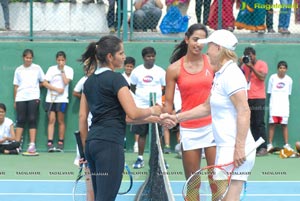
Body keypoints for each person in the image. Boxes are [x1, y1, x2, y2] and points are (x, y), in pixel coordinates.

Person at [162, 29, 256, 201]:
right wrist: (176, 118)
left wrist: (239, 148)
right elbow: (206, 107)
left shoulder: (232, 75)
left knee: (226, 196)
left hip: (235, 148)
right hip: (226, 146)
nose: (206, 51)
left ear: (219, 48)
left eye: (209, 46)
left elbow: (244, 110)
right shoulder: (221, 74)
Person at [78, 35, 161, 201]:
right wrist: (154, 109)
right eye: (121, 53)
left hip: (92, 145)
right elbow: (133, 113)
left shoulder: (88, 82)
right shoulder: (117, 79)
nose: (124, 56)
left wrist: (85, 149)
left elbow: (82, 117)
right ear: (110, 57)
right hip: (109, 146)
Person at [163, 23, 216, 181]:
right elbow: (168, 103)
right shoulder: (174, 69)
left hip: (213, 126)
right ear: (187, 39)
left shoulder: (213, 63)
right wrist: (165, 118)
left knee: (216, 181)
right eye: (195, 39)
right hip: (189, 130)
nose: (199, 44)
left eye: (203, 41)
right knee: (193, 183)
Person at [130, 46, 166, 169]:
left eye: (152, 56)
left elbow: (165, 87)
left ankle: (159, 159)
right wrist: (141, 99)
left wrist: (157, 102)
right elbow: (133, 87)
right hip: (141, 107)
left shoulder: (160, 71)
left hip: (157, 108)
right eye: (148, 56)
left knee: (158, 134)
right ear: (143, 58)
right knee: (142, 134)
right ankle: (140, 158)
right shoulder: (137, 71)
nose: (151, 58)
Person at [13, 49, 45, 154]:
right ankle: (16, 145)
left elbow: (43, 81)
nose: (28, 60)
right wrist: (15, 100)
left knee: (32, 119)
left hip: (33, 97)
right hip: (20, 97)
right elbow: (16, 86)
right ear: (23, 58)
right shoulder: (18, 70)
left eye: (30, 58)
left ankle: (32, 145)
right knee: (20, 119)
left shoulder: (37, 68)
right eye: (27, 58)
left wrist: (34, 87)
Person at [43, 51, 74, 152]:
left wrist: (62, 71)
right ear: (56, 60)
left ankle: (60, 143)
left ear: (65, 60)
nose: (60, 62)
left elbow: (65, 82)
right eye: (59, 60)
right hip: (50, 99)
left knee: (61, 121)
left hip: (62, 99)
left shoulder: (69, 70)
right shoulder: (51, 69)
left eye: (62, 60)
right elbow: (44, 83)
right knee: (51, 120)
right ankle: (50, 143)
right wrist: (56, 89)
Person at [240, 46, 268, 156]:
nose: (249, 58)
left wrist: (251, 66)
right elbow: (237, 74)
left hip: (259, 98)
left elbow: (262, 77)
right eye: (247, 56)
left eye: (251, 56)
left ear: (254, 55)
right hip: (247, 97)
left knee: (259, 123)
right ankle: (255, 147)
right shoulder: (244, 65)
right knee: (250, 123)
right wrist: (240, 63)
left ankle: (263, 147)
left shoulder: (262, 64)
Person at [267, 61, 293, 152]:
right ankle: (269, 144)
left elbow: (288, 93)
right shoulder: (272, 78)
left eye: (284, 68)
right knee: (272, 125)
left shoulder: (289, 80)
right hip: (274, 106)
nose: (282, 69)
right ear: (278, 69)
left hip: (284, 107)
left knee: (284, 125)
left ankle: (286, 144)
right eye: (280, 68)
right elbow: (269, 92)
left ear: (286, 69)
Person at [121, 56, 139, 152]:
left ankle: (136, 144)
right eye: (127, 66)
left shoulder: (136, 76)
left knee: (136, 122)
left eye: (131, 66)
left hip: (135, 103)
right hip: (123, 103)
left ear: (133, 67)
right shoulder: (120, 77)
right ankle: (122, 142)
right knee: (122, 121)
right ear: (124, 66)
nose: (129, 68)